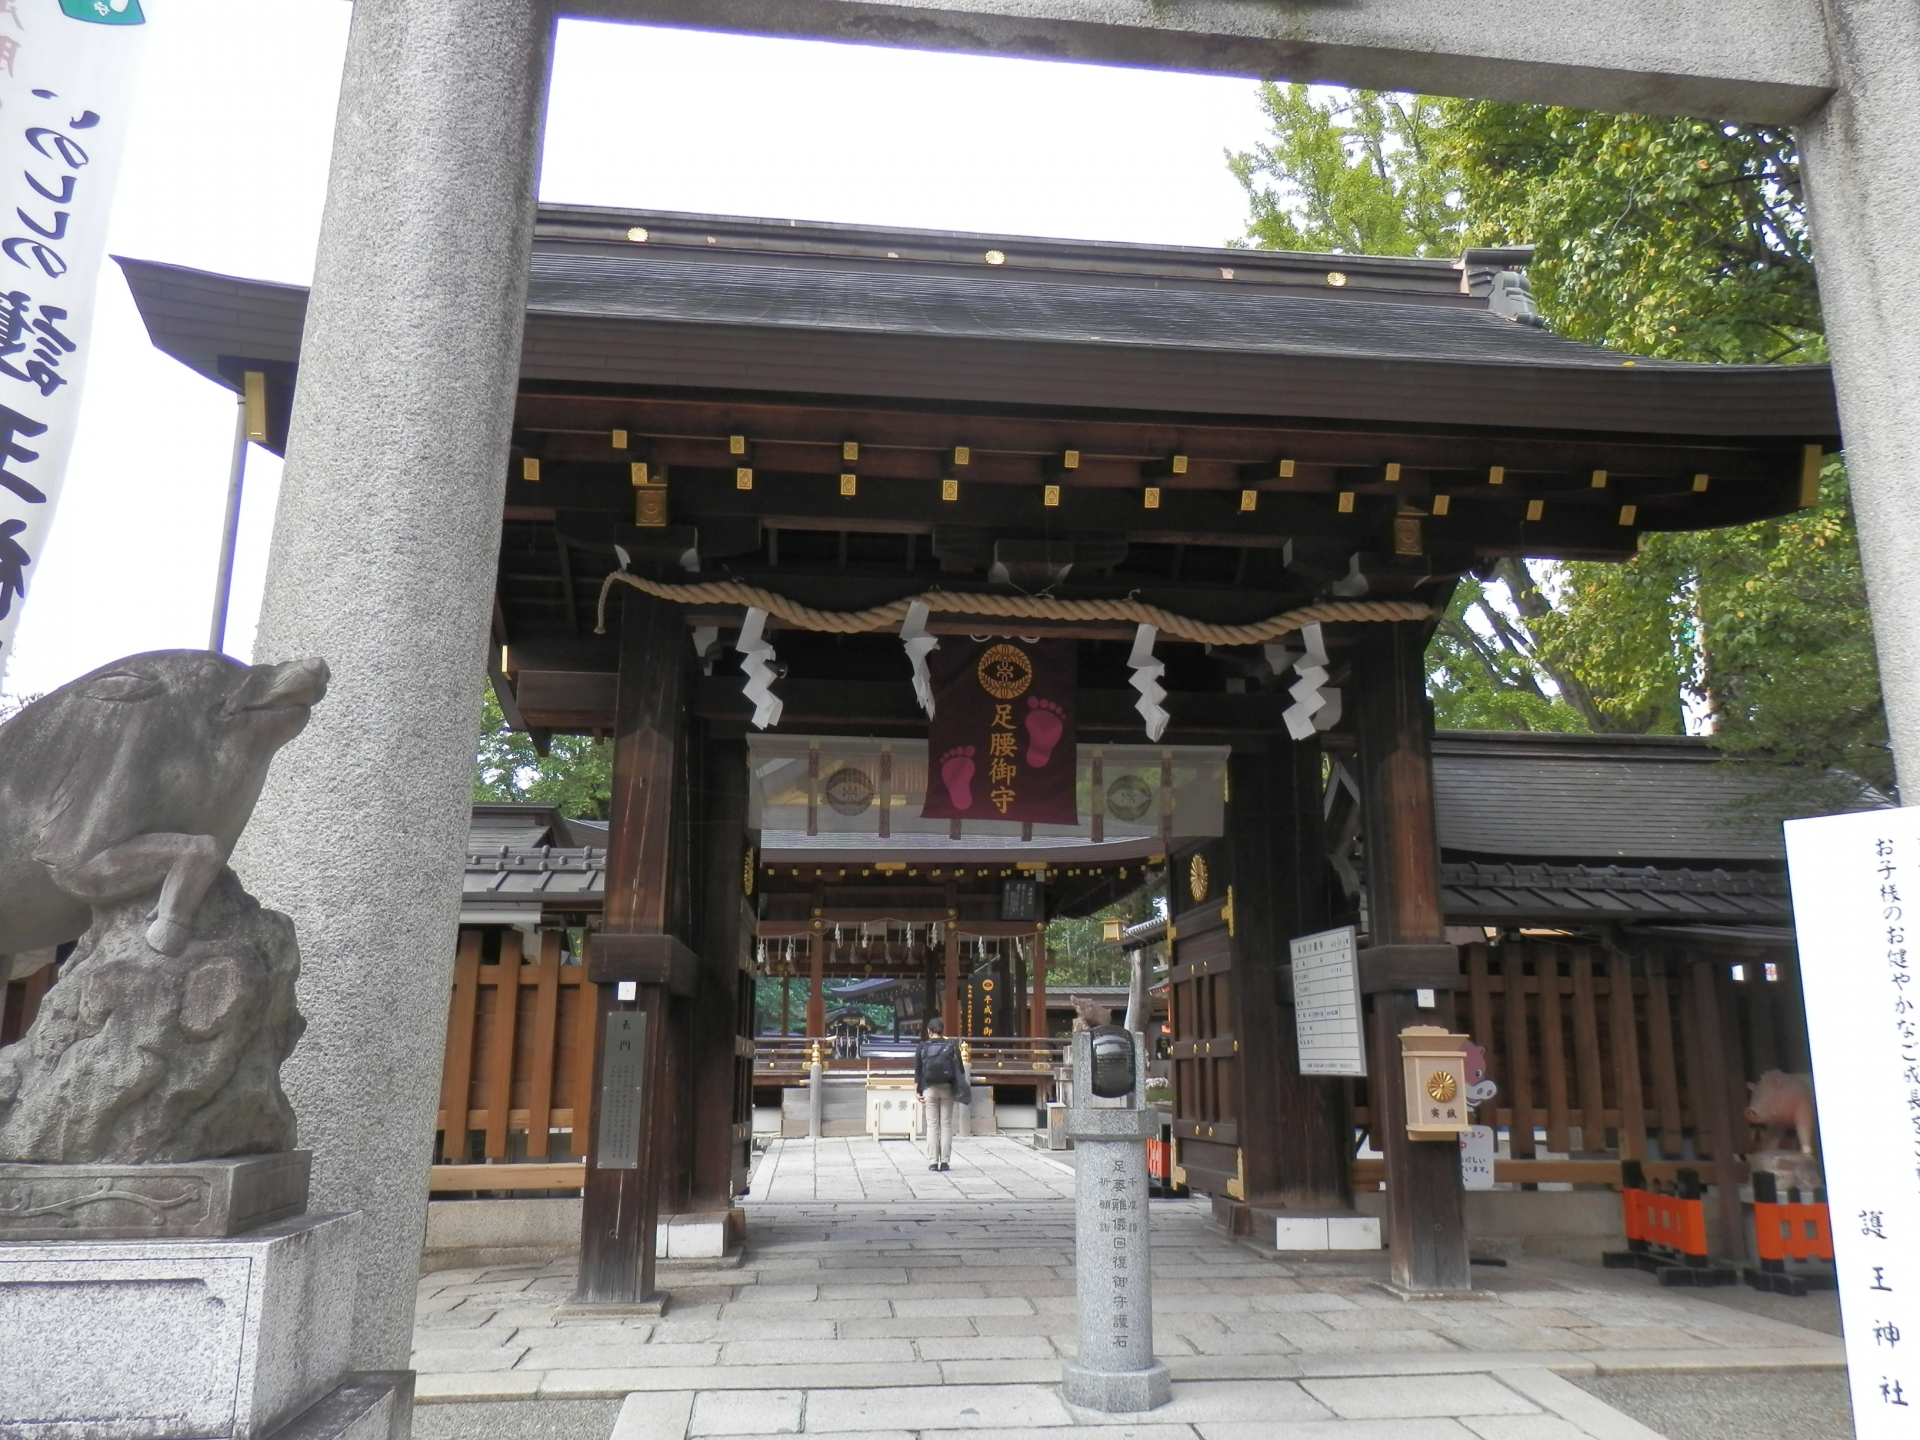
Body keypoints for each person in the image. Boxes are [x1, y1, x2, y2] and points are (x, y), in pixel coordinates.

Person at [914, 1016, 969, 1171]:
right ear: (942, 1030)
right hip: (947, 1088)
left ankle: (932, 1162)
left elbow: (918, 1071)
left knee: (932, 1126)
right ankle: (944, 1162)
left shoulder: (922, 1047)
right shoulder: (952, 1046)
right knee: (946, 1125)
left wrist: (917, 1090)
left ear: (929, 1031)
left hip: (929, 1088)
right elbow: (961, 1069)